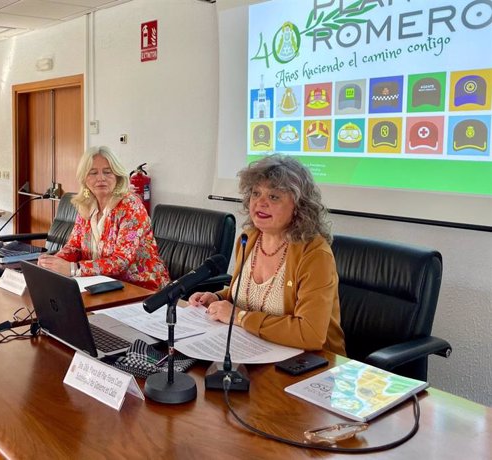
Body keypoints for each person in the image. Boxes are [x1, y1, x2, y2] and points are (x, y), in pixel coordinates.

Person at [189, 154, 345, 354]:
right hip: (254, 349)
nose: (260, 203)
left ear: (298, 207)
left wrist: (240, 317)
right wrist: (217, 297)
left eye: (273, 197)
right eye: (255, 193)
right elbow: (248, 295)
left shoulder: (315, 254)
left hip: (311, 364)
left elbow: (310, 333)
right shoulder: (248, 238)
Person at [37, 146, 170, 291]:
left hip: (141, 289)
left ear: (117, 176)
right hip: (101, 285)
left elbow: (121, 261)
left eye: (107, 172)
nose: (100, 178)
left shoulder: (130, 206)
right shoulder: (86, 205)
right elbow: (74, 246)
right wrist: (54, 262)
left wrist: (73, 269)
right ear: (84, 179)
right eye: (93, 173)